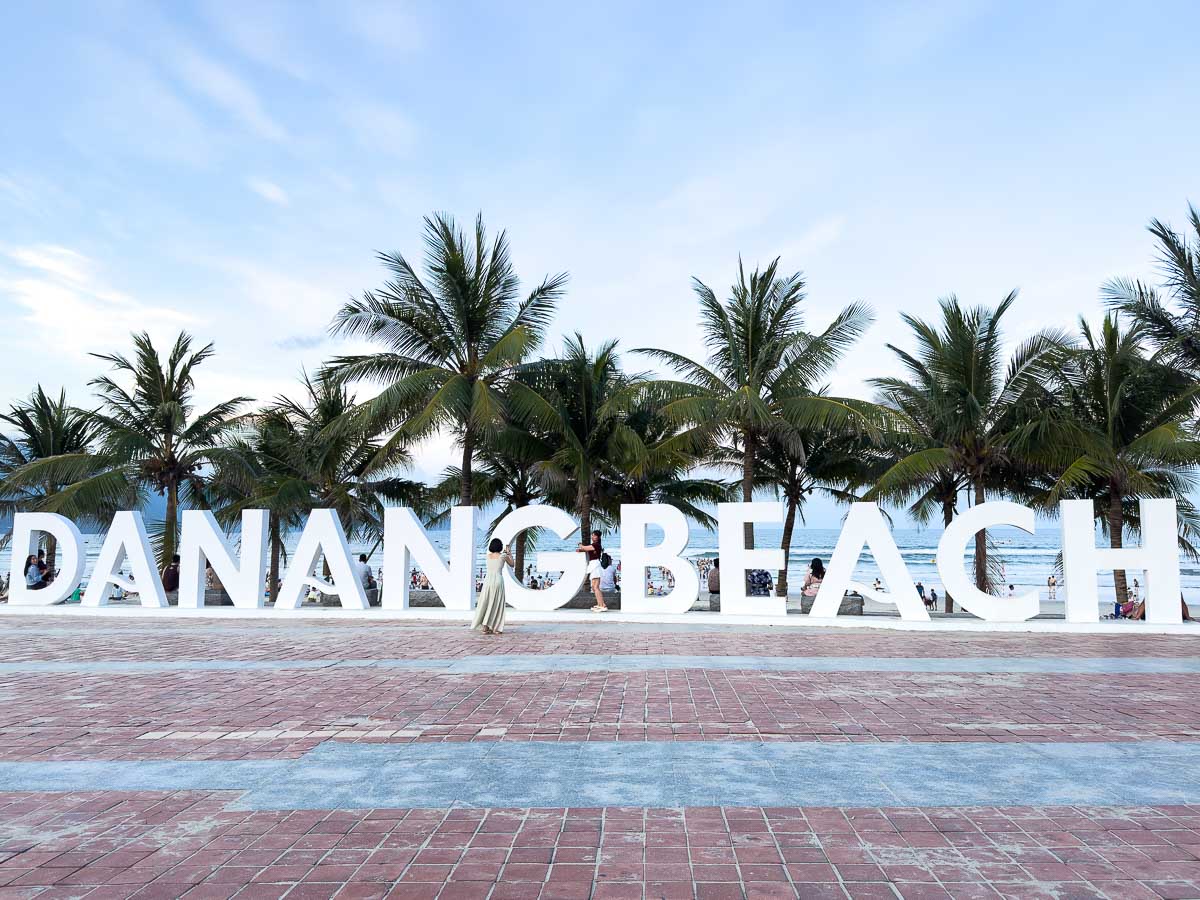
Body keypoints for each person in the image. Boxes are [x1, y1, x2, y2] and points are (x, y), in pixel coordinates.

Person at [473, 538, 514, 634]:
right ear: (500, 546)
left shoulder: (488, 556)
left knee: (486, 603)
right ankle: (496, 627)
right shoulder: (503, 556)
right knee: (497, 604)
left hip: (488, 580)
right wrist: (509, 553)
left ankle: (485, 627)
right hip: (498, 580)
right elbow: (512, 564)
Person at [577, 529, 608, 612]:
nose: (592, 536)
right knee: (594, 587)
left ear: (598, 537)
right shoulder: (594, 545)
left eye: (594, 535)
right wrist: (580, 550)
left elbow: (584, 547)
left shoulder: (596, 545)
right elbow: (586, 549)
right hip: (593, 565)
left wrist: (580, 545)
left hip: (595, 565)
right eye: (592, 535)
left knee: (596, 587)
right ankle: (601, 604)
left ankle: (601, 605)